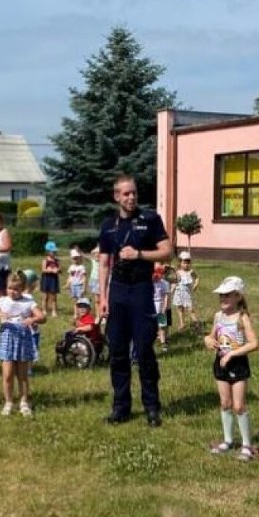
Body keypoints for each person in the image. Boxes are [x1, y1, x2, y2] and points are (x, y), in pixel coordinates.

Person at [98, 175, 171, 427]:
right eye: (126, 194)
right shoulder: (109, 225)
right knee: (117, 351)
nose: (131, 198)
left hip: (141, 290)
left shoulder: (150, 219)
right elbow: (104, 262)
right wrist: (102, 298)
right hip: (117, 292)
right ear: (116, 196)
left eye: (134, 193)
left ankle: (152, 407)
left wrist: (139, 254)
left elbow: (166, 251)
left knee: (144, 350)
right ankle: (121, 407)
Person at [205, 276, 259, 461]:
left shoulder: (242, 317)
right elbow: (212, 335)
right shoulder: (218, 316)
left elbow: (254, 343)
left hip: (237, 364)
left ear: (238, 296)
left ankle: (246, 445)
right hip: (220, 364)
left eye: (227, 295)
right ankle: (228, 441)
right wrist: (208, 340)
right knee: (225, 403)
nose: (223, 299)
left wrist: (232, 354)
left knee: (238, 406)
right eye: (221, 296)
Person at [0, 268, 44, 417]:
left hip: (22, 341)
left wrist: (32, 319)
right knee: (7, 375)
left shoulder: (28, 301)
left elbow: (42, 317)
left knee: (22, 375)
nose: (12, 292)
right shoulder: (2, 301)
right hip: (7, 340)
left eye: (16, 289)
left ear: (23, 288)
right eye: (10, 288)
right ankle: (9, 402)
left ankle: (24, 402)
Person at [172, 250, 199, 330]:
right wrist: (172, 290)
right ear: (180, 262)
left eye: (188, 263)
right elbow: (174, 281)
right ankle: (182, 323)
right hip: (179, 293)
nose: (186, 265)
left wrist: (196, 284)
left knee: (190, 309)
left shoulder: (191, 272)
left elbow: (196, 278)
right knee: (180, 308)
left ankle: (196, 324)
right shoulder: (178, 272)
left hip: (187, 294)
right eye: (184, 263)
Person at [152, 264, 170, 353]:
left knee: (162, 326)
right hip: (150, 306)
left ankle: (164, 343)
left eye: (159, 274)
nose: (156, 276)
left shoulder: (164, 283)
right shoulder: (148, 283)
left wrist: (164, 306)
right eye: (154, 274)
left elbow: (166, 295)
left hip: (160, 306)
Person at [40, 240, 61, 318]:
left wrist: (57, 270)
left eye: (55, 251)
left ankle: (54, 311)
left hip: (54, 280)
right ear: (48, 252)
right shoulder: (45, 260)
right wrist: (50, 270)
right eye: (53, 251)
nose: (54, 253)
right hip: (46, 279)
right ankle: (44, 310)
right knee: (45, 296)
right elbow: (43, 270)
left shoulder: (57, 260)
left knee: (54, 297)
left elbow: (60, 269)